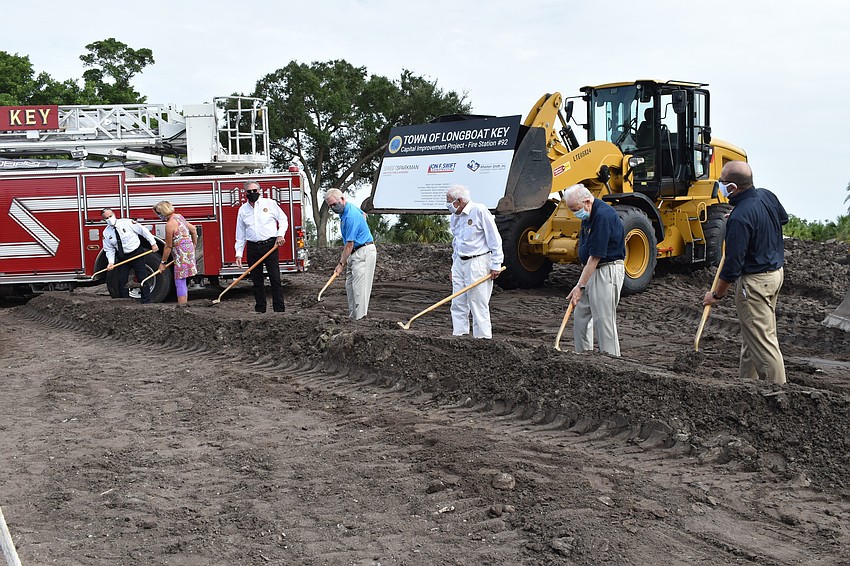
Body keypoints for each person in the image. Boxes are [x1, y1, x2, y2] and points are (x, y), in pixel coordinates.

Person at [703, 161, 788, 385]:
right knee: (753, 335)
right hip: (775, 274)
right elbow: (782, 219)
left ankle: (779, 394)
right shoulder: (766, 196)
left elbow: (732, 265)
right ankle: (746, 385)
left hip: (756, 283)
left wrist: (716, 295)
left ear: (732, 187)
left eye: (721, 182)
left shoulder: (740, 217)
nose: (719, 186)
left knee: (763, 342)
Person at [564, 183, 626, 356]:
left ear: (587, 202)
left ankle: (611, 361)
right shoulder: (587, 216)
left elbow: (596, 256)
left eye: (575, 209)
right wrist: (582, 282)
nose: (575, 213)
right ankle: (584, 357)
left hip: (607, 271)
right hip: (592, 270)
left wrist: (580, 286)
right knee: (581, 314)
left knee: (603, 319)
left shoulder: (603, 216)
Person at [445, 184, 503, 339]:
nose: (447, 205)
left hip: (478, 261)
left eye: (449, 201)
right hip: (459, 262)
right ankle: (459, 335)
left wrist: (496, 264)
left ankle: (482, 339)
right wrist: (453, 267)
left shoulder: (479, 211)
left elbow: (494, 239)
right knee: (457, 301)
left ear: (459, 200)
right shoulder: (454, 217)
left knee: (477, 302)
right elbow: (456, 242)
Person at [235, 181, 288, 313]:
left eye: (254, 191)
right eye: (249, 191)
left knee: (275, 279)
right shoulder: (243, 210)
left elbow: (283, 220)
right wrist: (238, 253)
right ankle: (260, 309)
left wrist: (280, 235)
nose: (252, 193)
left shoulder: (269, 204)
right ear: (245, 193)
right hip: (253, 248)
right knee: (256, 281)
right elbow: (240, 234)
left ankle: (279, 309)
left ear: (259, 191)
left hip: (270, 246)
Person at [325, 188, 377, 320]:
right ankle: (353, 319)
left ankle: (360, 321)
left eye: (334, 204)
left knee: (360, 290)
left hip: (363, 251)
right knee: (350, 287)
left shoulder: (350, 216)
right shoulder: (346, 212)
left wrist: (341, 264)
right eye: (330, 206)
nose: (333, 208)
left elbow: (349, 244)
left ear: (342, 199)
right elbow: (364, 215)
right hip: (354, 254)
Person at [100, 207, 159, 303]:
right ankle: (126, 302)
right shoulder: (106, 233)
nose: (109, 219)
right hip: (123, 257)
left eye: (110, 216)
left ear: (114, 214)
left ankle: (146, 301)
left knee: (142, 278)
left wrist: (153, 243)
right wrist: (111, 262)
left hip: (136, 253)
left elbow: (143, 231)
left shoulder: (127, 223)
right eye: (106, 218)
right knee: (122, 280)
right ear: (104, 220)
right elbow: (109, 249)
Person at [153, 201, 198, 306]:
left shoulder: (170, 224)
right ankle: (184, 303)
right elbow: (193, 229)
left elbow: (168, 246)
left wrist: (163, 263)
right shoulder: (179, 217)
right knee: (183, 278)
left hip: (181, 254)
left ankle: (182, 306)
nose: (158, 216)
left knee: (180, 279)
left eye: (158, 213)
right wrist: (194, 244)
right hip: (188, 251)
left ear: (163, 212)